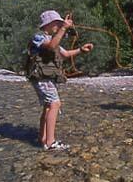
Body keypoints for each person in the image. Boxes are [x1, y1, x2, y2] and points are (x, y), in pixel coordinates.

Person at [26, 10, 93, 151]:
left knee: (48, 106)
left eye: (60, 23)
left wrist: (81, 50)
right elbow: (50, 46)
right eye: (57, 23)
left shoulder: (52, 39)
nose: (59, 25)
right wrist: (64, 28)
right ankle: (50, 143)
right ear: (48, 24)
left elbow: (66, 54)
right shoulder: (39, 37)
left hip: (45, 78)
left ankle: (43, 138)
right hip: (40, 77)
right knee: (55, 104)